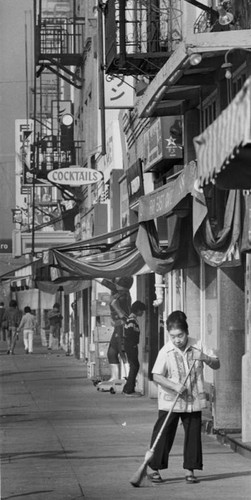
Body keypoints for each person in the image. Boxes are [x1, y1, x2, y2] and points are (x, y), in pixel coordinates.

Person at [147, 310, 220, 484]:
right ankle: (154, 468)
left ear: (187, 332)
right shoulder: (166, 351)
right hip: (170, 401)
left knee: (193, 435)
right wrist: (174, 386)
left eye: (180, 335)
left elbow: (217, 364)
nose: (177, 340)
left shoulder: (198, 345)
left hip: (193, 400)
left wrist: (204, 357)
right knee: (163, 434)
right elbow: (156, 375)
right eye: (173, 336)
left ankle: (190, 470)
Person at [103, 276, 133, 381]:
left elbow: (124, 315)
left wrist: (116, 308)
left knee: (123, 351)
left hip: (123, 326)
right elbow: (107, 283)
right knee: (112, 352)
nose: (115, 284)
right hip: (117, 326)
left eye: (117, 283)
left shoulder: (124, 296)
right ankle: (114, 377)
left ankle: (128, 378)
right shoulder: (119, 292)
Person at [122, 301, 146, 397]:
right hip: (131, 346)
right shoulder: (132, 319)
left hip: (130, 345)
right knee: (134, 366)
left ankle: (128, 388)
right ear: (138, 310)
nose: (143, 313)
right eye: (142, 311)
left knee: (134, 366)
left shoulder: (131, 318)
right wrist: (133, 345)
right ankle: (128, 390)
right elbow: (129, 334)